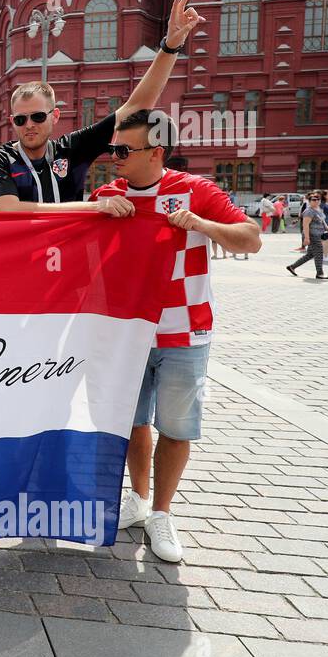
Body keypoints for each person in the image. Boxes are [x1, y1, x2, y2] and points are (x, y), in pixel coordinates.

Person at [92, 110, 261, 563]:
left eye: (124, 150)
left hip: (184, 330)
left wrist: (202, 225)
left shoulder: (196, 190)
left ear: (156, 152)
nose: (115, 158)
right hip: (128, 332)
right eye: (113, 150)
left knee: (177, 425)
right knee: (131, 421)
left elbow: (251, 238)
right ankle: (139, 498)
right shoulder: (107, 194)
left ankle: (163, 514)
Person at [0, 0, 203, 212]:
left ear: (55, 115)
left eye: (38, 116)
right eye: (20, 119)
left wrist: (170, 47)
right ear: (12, 121)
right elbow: (8, 208)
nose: (29, 124)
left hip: (64, 248)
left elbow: (136, 106)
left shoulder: (69, 150)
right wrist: (92, 207)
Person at [286, 192, 328, 279]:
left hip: (319, 234)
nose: (316, 201)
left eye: (318, 199)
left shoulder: (318, 209)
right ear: (309, 201)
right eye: (314, 200)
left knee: (310, 254)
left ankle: (292, 267)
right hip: (312, 235)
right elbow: (305, 225)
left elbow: (322, 221)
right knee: (319, 253)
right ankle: (320, 273)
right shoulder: (308, 211)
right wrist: (306, 238)